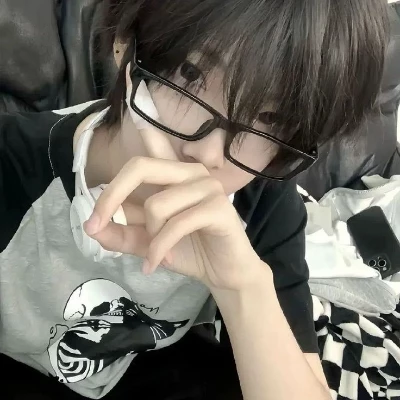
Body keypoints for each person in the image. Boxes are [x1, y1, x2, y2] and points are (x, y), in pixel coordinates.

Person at [0, 0, 389, 399]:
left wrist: (240, 286)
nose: (207, 153)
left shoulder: (260, 199)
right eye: (191, 74)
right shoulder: (11, 163)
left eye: (269, 119)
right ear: (125, 46)